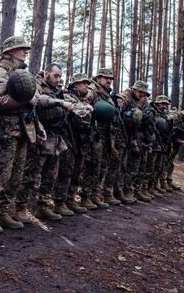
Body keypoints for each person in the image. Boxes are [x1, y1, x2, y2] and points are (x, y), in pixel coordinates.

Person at [0, 36, 45, 232]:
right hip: (5, 132)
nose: (25, 52)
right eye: (21, 48)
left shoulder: (22, 72)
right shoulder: (0, 71)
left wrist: (38, 126)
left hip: (23, 130)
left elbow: (32, 103)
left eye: (26, 49)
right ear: (9, 51)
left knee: (16, 175)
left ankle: (3, 212)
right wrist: (24, 100)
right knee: (1, 175)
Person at [15, 63, 75, 221]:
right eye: (55, 76)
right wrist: (60, 103)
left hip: (55, 137)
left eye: (60, 76)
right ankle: (20, 207)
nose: (58, 79)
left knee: (51, 175)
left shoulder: (57, 90)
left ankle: (43, 206)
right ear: (46, 73)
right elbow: (38, 100)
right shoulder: (36, 85)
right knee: (31, 175)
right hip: (39, 136)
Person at [58, 73, 94, 212]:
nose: (86, 86)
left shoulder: (83, 99)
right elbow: (79, 110)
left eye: (87, 83)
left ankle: (70, 198)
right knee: (66, 171)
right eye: (83, 83)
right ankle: (59, 201)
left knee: (77, 170)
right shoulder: (67, 96)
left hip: (80, 139)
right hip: (68, 138)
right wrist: (86, 108)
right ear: (75, 85)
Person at [115, 81, 151, 204]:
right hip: (119, 136)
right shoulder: (125, 97)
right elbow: (117, 111)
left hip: (129, 137)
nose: (142, 95)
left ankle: (123, 190)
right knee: (118, 166)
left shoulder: (139, 101)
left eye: (144, 93)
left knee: (125, 166)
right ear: (134, 90)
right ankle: (115, 192)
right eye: (140, 92)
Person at [85, 68, 116, 208]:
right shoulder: (92, 90)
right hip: (94, 134)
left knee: (102, 166)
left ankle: (94, 194)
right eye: (105, 78)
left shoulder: (107, 95)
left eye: (110, 78)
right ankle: (85, 195)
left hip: (106, 135)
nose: (109, 80)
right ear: (98, 78)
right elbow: (85, 105)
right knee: (92, 166)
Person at [165, 107, 184, 191]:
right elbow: (169, 132)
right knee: (165, 163)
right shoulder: (173, 118)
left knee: (170, 163)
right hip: (168, 144)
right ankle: (162, 182)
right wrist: (179, 140)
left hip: (174, 145)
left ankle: (169, 180)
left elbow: (181, 131)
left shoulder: (182, 121)